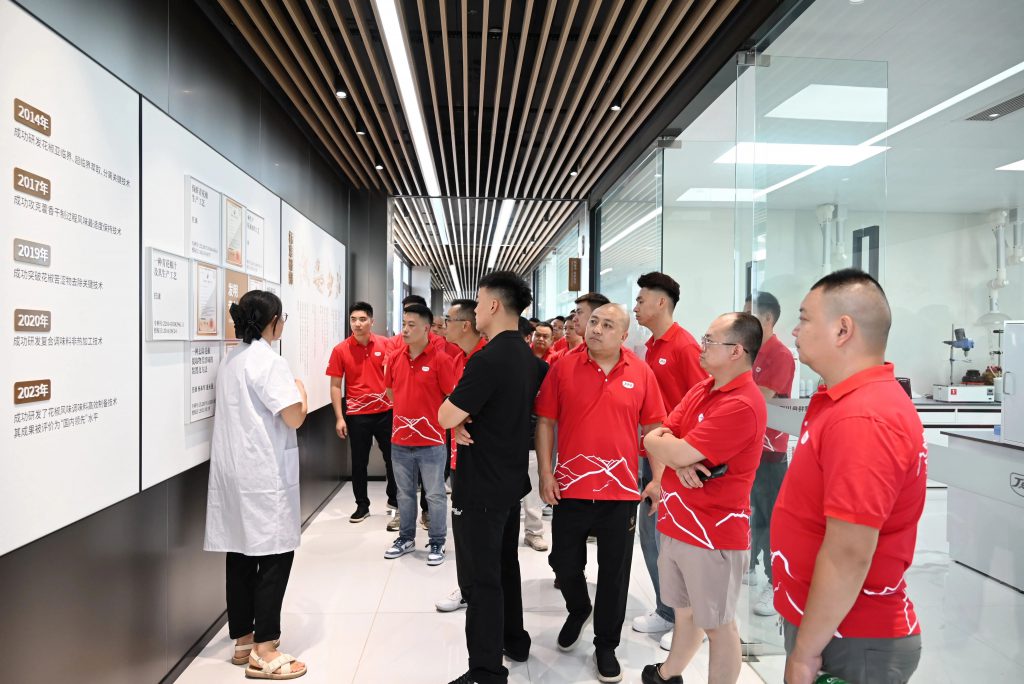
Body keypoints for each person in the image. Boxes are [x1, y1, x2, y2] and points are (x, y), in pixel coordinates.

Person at [770, 269, 925, 684]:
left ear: (842, 330)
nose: (794, 330)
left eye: (804, 318)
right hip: (830, 625)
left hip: (850, 637)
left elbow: (848, 553)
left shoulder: (864, 417)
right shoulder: (843, 402)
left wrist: (805, 652)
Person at [535, 303, 665, 684]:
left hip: (620, 492)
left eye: (608, 325)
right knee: (563, 562)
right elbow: (546, 421)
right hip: (570, 487)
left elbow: (653, 428)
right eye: (593, 322)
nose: (596, 329)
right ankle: (579, 608)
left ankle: (606, 645)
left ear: (623, 336)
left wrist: (657, 478)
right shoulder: (563, 367)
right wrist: (545, 472)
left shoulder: (640, 372)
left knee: (614, 573)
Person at [641, 312, 766, 684]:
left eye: (710, 340)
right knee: (686, 612)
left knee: (718, 625)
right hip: (677, 522)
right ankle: (669, 674)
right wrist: (678, 457)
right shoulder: (703, 389)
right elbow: (653, 436)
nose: (702, 345)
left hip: (712, 534)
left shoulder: (742, 403)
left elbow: (672, 447)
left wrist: (677, 453)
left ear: (736, 351)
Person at [438, 272, 541, 684]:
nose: (476, 310)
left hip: (480, 484)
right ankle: (514, 639)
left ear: (494, 305)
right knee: (504, 566)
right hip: (509, 481)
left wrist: (457, 418)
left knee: (481, 580)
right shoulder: (529, 358)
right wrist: (464, 417)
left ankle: (485, 671)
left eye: (479, 303)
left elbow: (446, 414)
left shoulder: (488, 358)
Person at [204, 290, 309, 680]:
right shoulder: (270, 361)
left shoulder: (232, 360)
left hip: (235, 472)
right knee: (275, 555)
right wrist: (301, 392)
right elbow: (294, 417)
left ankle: (243, 640)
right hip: (264, 475)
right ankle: (265, 650)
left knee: (241, 553)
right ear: (273, 322)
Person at [630, 272, 707, 645]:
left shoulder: (684, 346)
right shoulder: (650, 346)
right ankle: (666, 611)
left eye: (641, 299)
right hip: (654, 454)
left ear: (661, 302)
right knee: (652, 535)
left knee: (677, 543)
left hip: (678, 460)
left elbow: (704, 403)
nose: (636, 306)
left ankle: (692, 622)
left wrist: (688, 459)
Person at [382, 304, 456, 566]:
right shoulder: (394, 358)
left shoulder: (441, 360)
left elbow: (450, 396)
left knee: (434, 494)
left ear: (426, 328)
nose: (405, 329)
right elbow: (390, 392)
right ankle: (406, 538)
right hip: (400, 441)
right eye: (404, 324)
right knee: (404, 494)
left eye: (411, 325)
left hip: (432, 441)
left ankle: (437, 540)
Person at [741, 290, 796, 617]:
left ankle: (776, 585)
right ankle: (752, 567)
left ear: (768, 319)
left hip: (770, 451)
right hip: (749, 448)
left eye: (750, 314)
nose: (744, 320)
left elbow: (756, 398)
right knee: (754, 514)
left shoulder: (779, 355)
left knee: (772, 520)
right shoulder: (751, 350)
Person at [434, 298, 488, 615]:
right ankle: (467, 588)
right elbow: (453, 404)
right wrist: (455, 423)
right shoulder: (458, 358)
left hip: (481, 460)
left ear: (465, 325)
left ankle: (478, 590)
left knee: (479, 532)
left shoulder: (485, 359)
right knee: (464, 529)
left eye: (448, 320)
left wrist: (456, 419)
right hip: (458, 456)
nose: (444, 326)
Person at [326, 301, 395, 524]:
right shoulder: (340, 349)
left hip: (386, 411)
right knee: (358, 462)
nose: (357, 324)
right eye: (353, 319)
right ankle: (362, 505)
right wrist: (339, 417)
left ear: (372, 321)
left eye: (362, 319)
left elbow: (395, 377)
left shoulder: (386, 344)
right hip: (357, 415)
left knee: (393, 458)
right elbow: (335, 385)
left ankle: (394, 500)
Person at [518, 317, 550, 552]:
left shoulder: (540, 368)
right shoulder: (493, 363)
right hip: (502, 439)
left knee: (532, 491)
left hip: (530, 436)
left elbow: (545, 407)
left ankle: (534, 531)